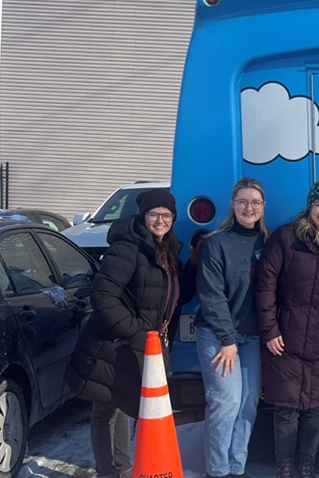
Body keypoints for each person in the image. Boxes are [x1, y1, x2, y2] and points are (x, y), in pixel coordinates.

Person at [65, 188, 186, 478]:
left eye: (166, 215)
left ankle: (121, 468)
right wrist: (135, 333)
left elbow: (167, 294)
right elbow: (103, 295)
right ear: (143, 216)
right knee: (106, 410)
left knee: (119, 405)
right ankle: (109, 472)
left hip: (139, 343)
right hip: (113, 343)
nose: (160, 220)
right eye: (154, 214)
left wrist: (192, 267)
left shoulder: (166, 250)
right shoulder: (128, 247)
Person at [255, 178, 319, 478]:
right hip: (285, 336)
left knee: (316, 406)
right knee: (286, 407)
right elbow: (265, 286)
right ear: (309, 207)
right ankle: (285, 463)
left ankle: (307, 462)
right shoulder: (285, 238)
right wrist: (269, 330)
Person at [194, 178, 270, 478]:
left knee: (248, 403)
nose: (248, 208)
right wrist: (227, 339)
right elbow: (211, 295)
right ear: (232, 205)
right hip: (218, 336)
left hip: (252, 337)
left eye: (255, 202)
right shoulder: (216, 243)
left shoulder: (269, 243)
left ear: (263, 207)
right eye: (242, 202)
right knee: (226, 402)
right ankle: (218, 470)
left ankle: (236, 468)